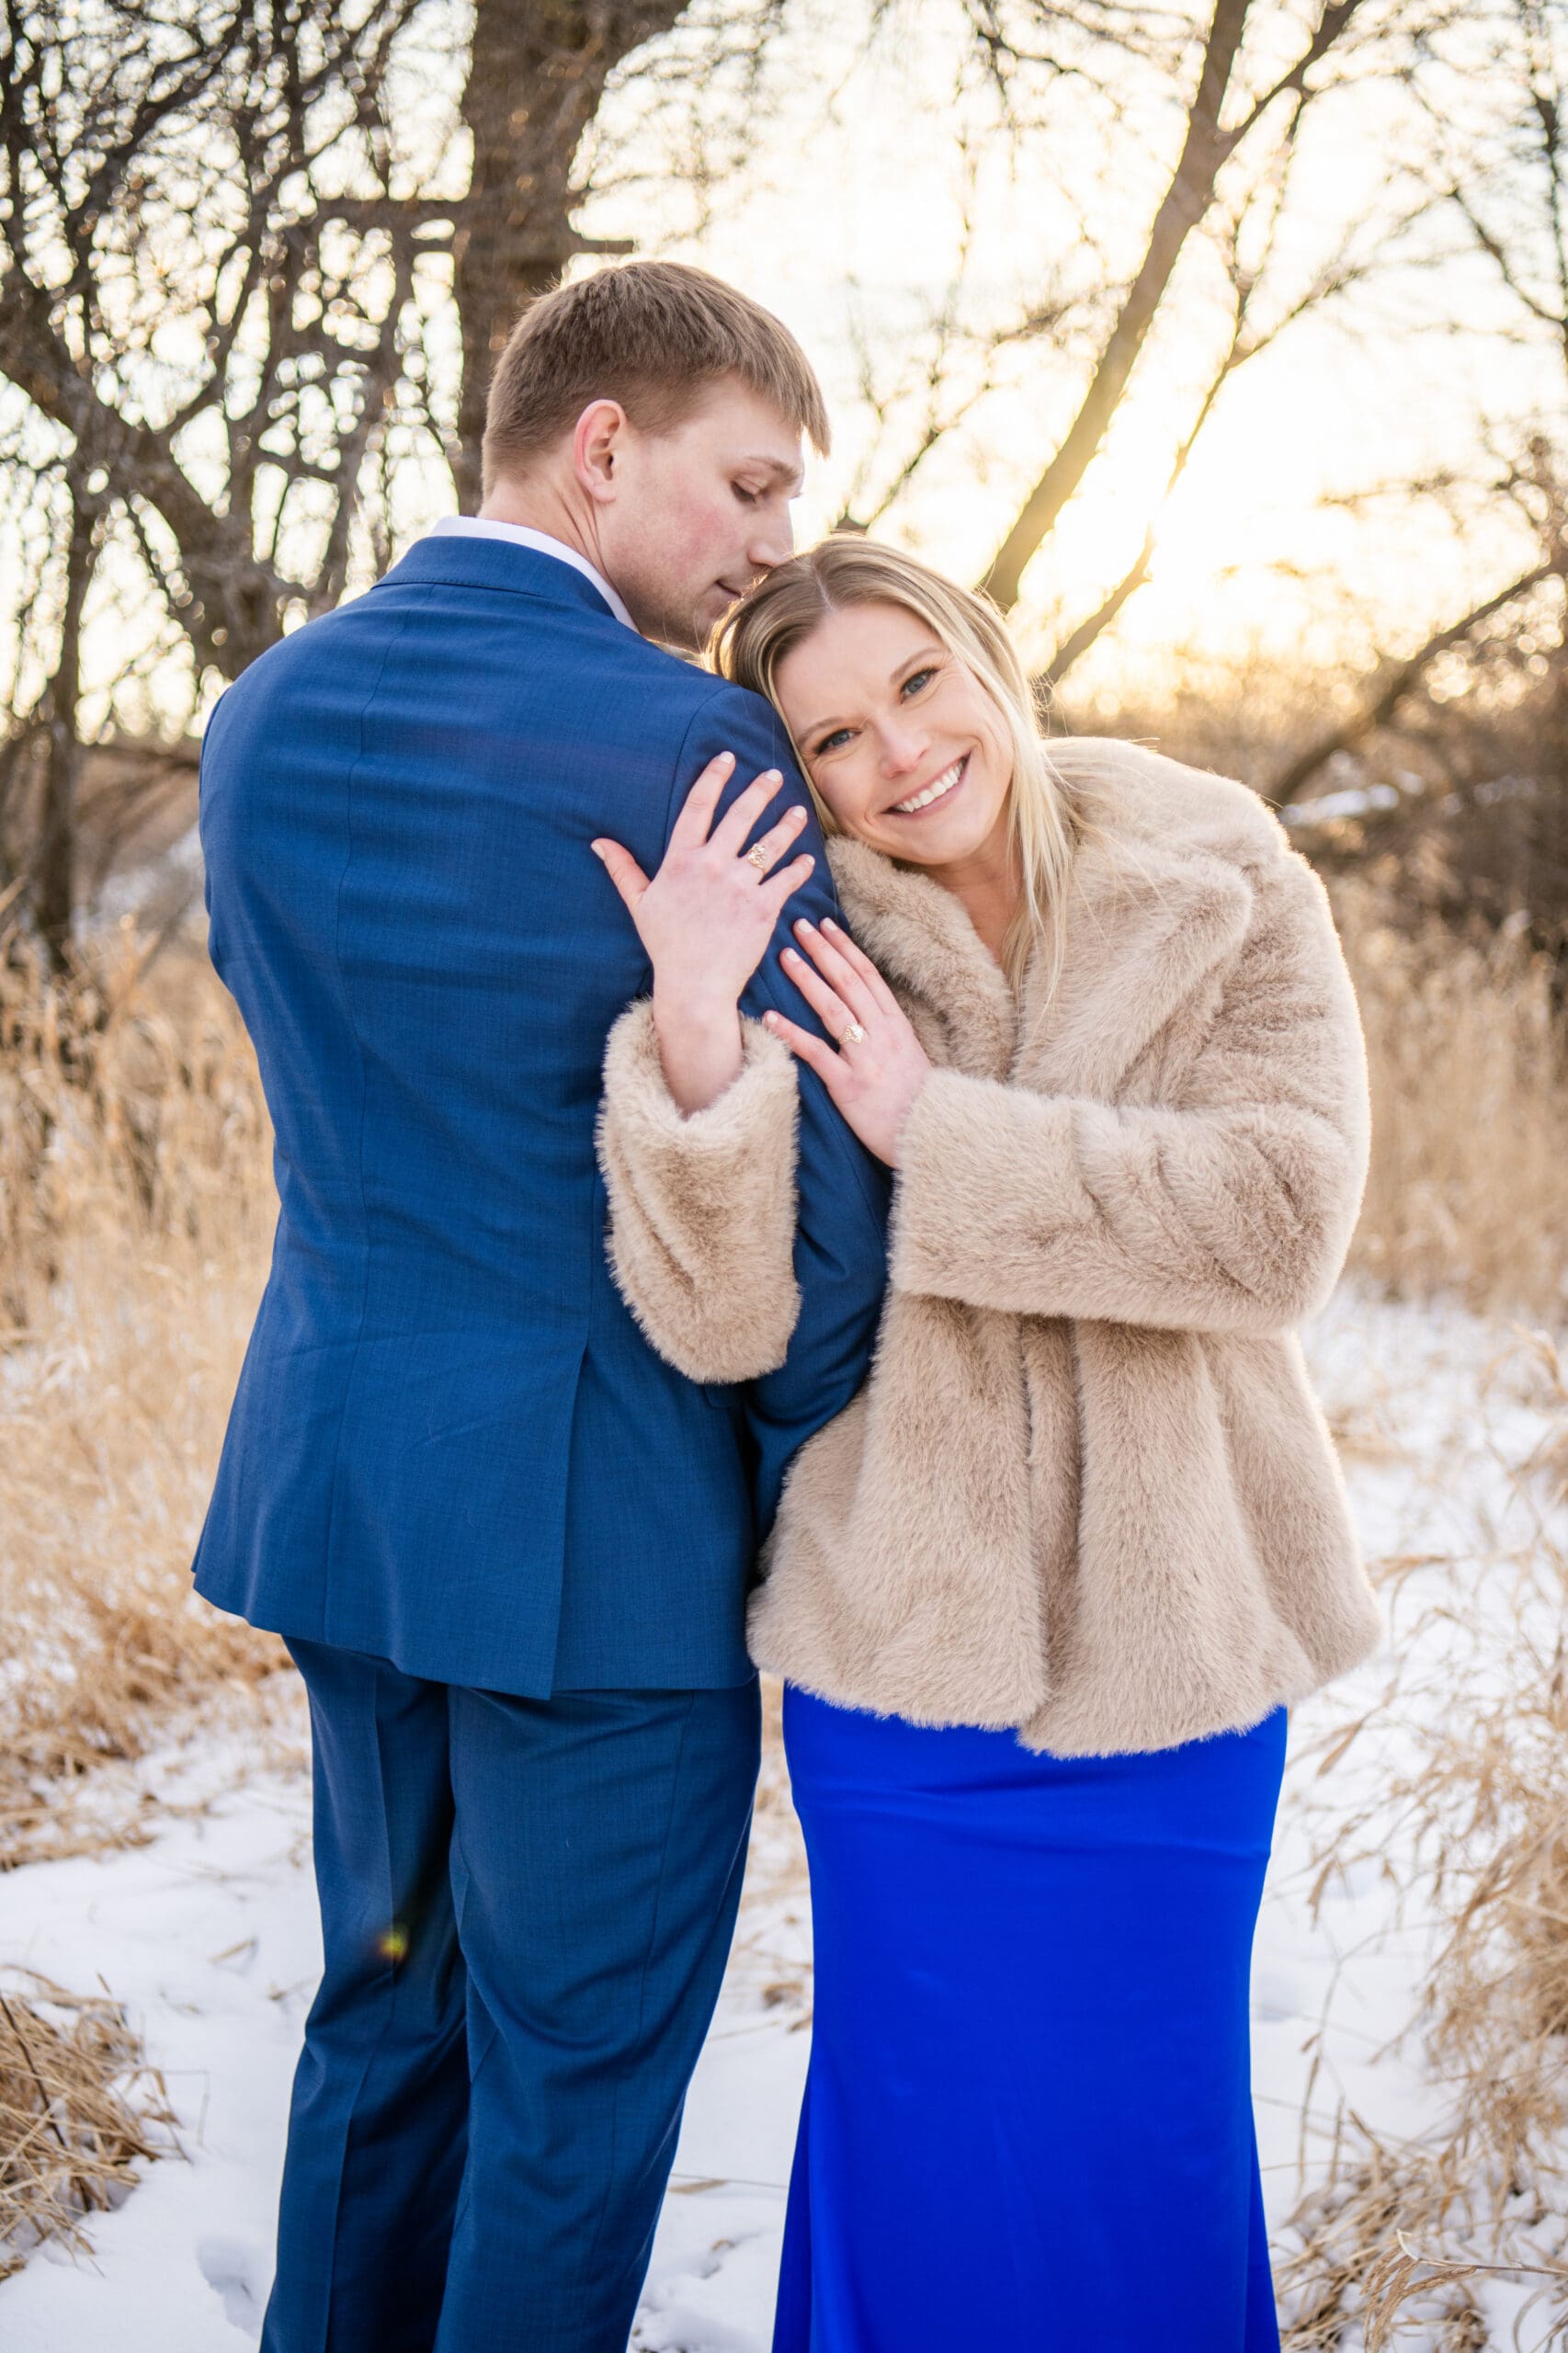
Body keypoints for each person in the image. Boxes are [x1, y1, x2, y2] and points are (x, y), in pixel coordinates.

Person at [193, 265, 890, 2353]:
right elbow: (813, 1214)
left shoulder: (264, 710)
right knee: (574, 2087)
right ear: (604, 449)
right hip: (604, 1544)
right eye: (747, 480)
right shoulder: (694, 742)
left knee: (383, 2020)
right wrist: (803, 1466)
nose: (776, 540)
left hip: (342, 1489)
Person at [593, 535, 1385, 2351]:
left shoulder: (1218, 869)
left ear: (985, 657)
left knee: (1148, 2138)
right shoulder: (808, 936)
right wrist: (701, 1031)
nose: (899, 753)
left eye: (917, 684)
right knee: (924, 2132)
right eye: (835, 738)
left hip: (1179, 1652)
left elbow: (1277, 1221)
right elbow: (719, 1320)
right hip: (906, 1666)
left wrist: (939, 1134)